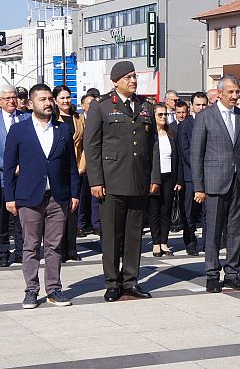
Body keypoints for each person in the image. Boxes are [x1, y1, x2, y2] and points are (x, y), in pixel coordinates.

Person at [84, 61, 160, 302]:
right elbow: (92, 145)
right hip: (112, 181)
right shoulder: (102, 106)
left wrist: (154, 177)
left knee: (134, 234)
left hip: (138, 180)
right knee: (112, 236)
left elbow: (154, 146)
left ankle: (131, 280)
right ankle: (112, 282)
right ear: (116, 81)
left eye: (134, 76)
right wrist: (96, 180)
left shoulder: (145, 106)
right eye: (128, 77)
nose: (133, 80)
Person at [4, 83, 80, 309]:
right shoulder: (19, 130)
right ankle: (31, 290)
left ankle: (54, 289)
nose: (47, 103)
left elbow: (71, 166)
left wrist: (74, 193)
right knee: (30, 245)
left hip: (58, 196)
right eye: (42, 99)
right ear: (30, 104)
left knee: (54, 245)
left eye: (49, 99)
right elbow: (9, 167)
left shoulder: (63, 129)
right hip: (29, 197)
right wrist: (10, 197)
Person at [192, 75, 240, 293]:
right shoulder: (206, 117)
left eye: (237, 92)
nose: (235, 96)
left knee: (236, 231)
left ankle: (232, 274)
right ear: (219, 93)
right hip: (215, 182)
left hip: (239, 182)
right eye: (231, 92)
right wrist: (199, 186)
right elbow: (196, 154)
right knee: (214, 231)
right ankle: (211, 274)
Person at [0, 84, 30, 266]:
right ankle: (3, 252)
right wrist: (10, 167)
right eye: (7, 98)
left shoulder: (26, 118)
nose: (12, 101)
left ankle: (21, 251)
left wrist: (24, 165)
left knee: (22, 217)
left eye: (14, 97)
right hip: (2, 176)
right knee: (2, 217)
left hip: (25, 176)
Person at [53, 85, 86, 262]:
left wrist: (82, 166)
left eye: (68, 97)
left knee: (73, 208)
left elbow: (86, 143)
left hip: (76, 166)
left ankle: (72, 249)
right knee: (58, 210)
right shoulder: (52, 118)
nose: (66, 101)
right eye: (62, 98)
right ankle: (60, 249)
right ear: (55, 100)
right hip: (58, 167)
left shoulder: (78, 118)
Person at [148, 104, 182, 256]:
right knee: (154, 210)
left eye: (165, 115)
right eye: (160, 115)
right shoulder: (150, 135)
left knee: (166, 210)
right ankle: (155, 242)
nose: (163, 117)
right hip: (155, 177)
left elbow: (178, 158)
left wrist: (178, 180)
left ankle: (164, 242)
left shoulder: (171, 134)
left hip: (169, 176)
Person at [178, 92, 208, 256]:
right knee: (189, 213)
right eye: (198, 105)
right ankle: (190, 243)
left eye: (204, 105)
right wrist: (200, 167)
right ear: (191, 106)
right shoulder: (185, 125)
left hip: (208, 176)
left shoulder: (210, 122)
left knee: (207, 213)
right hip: (190, 176)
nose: (201, 108)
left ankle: (206, 243)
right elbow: (185, 150)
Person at [77, 95, 100, 235]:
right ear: (83, 106)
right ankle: (80, 224)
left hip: (94, 164)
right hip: (80, 163)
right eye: (89, 104)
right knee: (81, 196)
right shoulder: (79, 120)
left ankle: (96, 224)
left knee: (96, 197)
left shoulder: (99, 118)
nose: (92, 106)